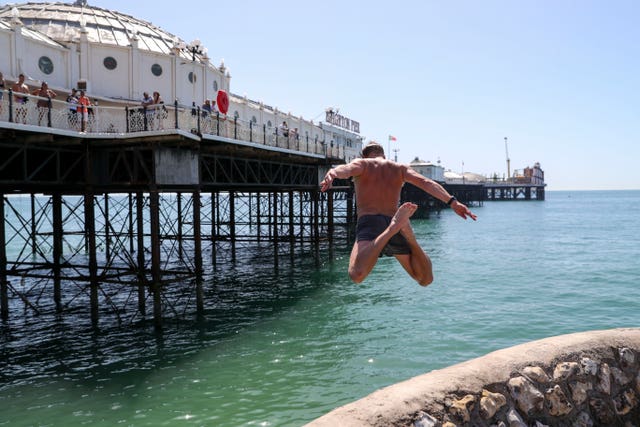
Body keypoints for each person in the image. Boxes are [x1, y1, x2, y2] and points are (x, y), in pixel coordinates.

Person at [320, 141, 477, 286]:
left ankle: (392, 229)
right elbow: (426, 183)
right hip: (394, 218)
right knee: (424, 279)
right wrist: (453, 202)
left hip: (370, 222)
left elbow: (346, 170)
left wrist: (333, 173)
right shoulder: (399, 168)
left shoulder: (363, 164)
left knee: (357, 275)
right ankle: (408, 235)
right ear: (384, 155)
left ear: (364, 155)